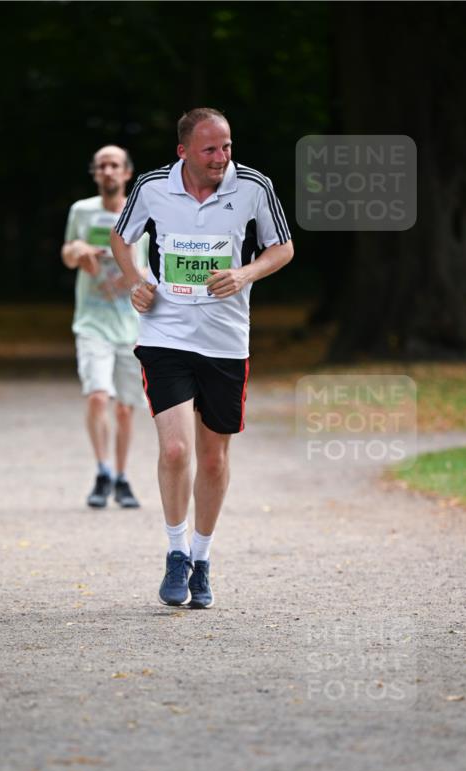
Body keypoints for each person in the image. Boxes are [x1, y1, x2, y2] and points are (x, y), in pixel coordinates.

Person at [110, 108, 293, 607]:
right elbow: (121, 239)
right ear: (184, 151)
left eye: (227, 146)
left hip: (225, 341)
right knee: (175, 451)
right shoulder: (151, 187)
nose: (222, 157)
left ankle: (202, 558)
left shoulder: (253, 186)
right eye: (210, 149)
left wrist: (245, 274)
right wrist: (137, 282)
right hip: (165, 334)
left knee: (213, 460)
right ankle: (175, 552)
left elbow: (283, 249)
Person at [62, 145, 148, 508]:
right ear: (95, 174)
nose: (108, 171)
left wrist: (130, 273)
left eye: (114, 165)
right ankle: (103, 470)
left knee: (126, 408)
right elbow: (67, 254)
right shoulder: (82, 211)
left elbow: (153, 270)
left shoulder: (144, 213)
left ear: (127, 172)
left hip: (133, 324)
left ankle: (123, 477)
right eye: (102, 166)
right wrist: (80, 251)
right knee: (98, 395)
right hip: (92, 321)